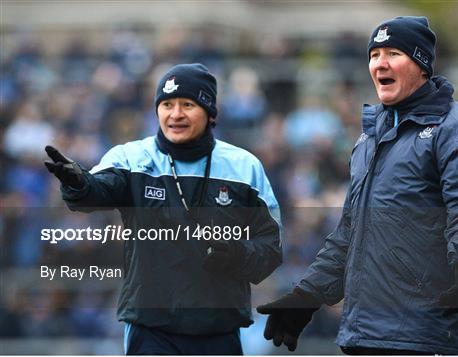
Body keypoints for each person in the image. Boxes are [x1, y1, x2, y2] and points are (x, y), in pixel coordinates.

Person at [257, 16, 458, 355]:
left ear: (422, 64)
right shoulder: (370, 137)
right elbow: (349, 234)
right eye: (374, 55)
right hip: (363, 334)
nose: (379, 63)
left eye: (393, 53)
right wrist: (306, 297)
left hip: (423, 334)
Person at [45, 63, 282, 355]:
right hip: (151, 329)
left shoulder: (245, 167)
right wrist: (78, 183)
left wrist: (238, 254)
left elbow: (271, 246)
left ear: (210, 112)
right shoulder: (131, 157)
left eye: (187, 104)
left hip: (219, 328)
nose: (175, 114)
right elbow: (96, 191)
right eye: (167, 104)